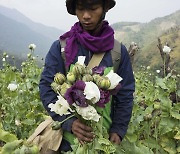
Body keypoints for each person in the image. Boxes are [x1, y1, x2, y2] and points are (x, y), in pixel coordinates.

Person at [39, 0, 135, 152]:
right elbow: (46, 87)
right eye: (80, 9)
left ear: (105, 8)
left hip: (104, 140)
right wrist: (69, 123)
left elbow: (125, 94)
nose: (85, 16)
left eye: (93, 8)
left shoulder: (117, 52)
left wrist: (118, 129)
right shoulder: (62, 48)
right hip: (66, 142)